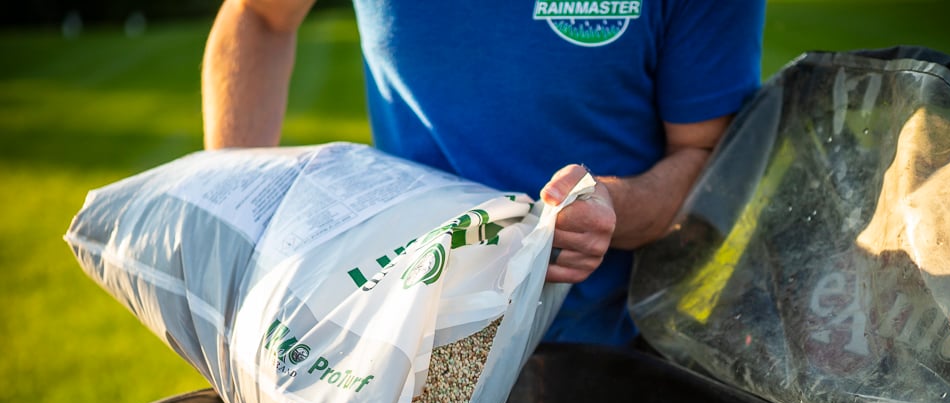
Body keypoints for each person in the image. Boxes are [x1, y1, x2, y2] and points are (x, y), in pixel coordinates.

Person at [202, 0, 765, 347]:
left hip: (604, 351)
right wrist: (231, 229)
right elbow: (260, 15)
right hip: (399, 334)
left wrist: (612, 206)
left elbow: (709, 156)